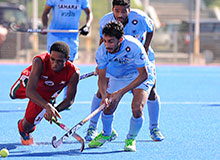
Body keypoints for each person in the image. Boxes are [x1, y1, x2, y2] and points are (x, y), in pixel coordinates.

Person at [85, 0, 164, 142]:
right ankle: (93, 127)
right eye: (116, 11)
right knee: (102, 92)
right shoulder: (106, 21)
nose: (119, 14)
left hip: (139, 57)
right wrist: (101, 62)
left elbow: (151, 30)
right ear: (112, 9)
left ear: (129, 9)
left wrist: (145, 48)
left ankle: (154, 127)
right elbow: (104, 41)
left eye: (123, 11)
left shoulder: (140, 18)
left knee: (150, 92)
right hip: (116, 59)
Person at [88, 21, 155, 152]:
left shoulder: (134, 46)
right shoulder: (102, 51)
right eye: (105, 41)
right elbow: (102, 78)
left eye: (111, 41)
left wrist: (121, 92)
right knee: (107, 108)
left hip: (138, 75)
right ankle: (107, 133)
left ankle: (131, 138)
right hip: (118, 76)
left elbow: (143, 75)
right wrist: (103, 96)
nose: (107, 45)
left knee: (137, 108)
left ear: (121, 39)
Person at [10, 41, 80, 145]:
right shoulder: (39, 61)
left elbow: (69, 100)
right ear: (49, 55)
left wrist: (53, 111)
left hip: (46, 93)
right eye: (52, 59)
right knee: (13, 95)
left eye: (60, 61)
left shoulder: (74, 73)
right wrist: (47, 106)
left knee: (27, 127)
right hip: (30, 83)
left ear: (68, 59)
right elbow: (30, 92)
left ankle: (22, 126)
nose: (55, 64)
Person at [41, 0, 93, 102]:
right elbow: (45, 12)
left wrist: (87, 25)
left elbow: (89, 13)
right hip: (55, 35)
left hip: (71, 36)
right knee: (52, 65)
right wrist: (44, 26)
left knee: (69, 66)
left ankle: (67, 98)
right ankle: (50, 96)